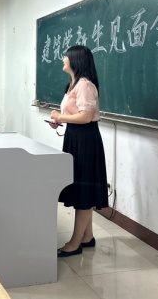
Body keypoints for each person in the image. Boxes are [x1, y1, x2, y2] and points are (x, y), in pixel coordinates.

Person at [49, 45, 108, 257]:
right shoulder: (74, 84)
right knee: (82, 188)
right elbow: (75, 115)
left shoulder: (85, 85)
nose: (63, 59)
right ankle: (87, 236)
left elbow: (85, 116)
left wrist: (60, 117)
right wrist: (59, 121)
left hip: (86, 140)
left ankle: (75, 243)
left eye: (66, 56)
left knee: (84, 190)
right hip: (76, 137)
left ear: (75, 60)